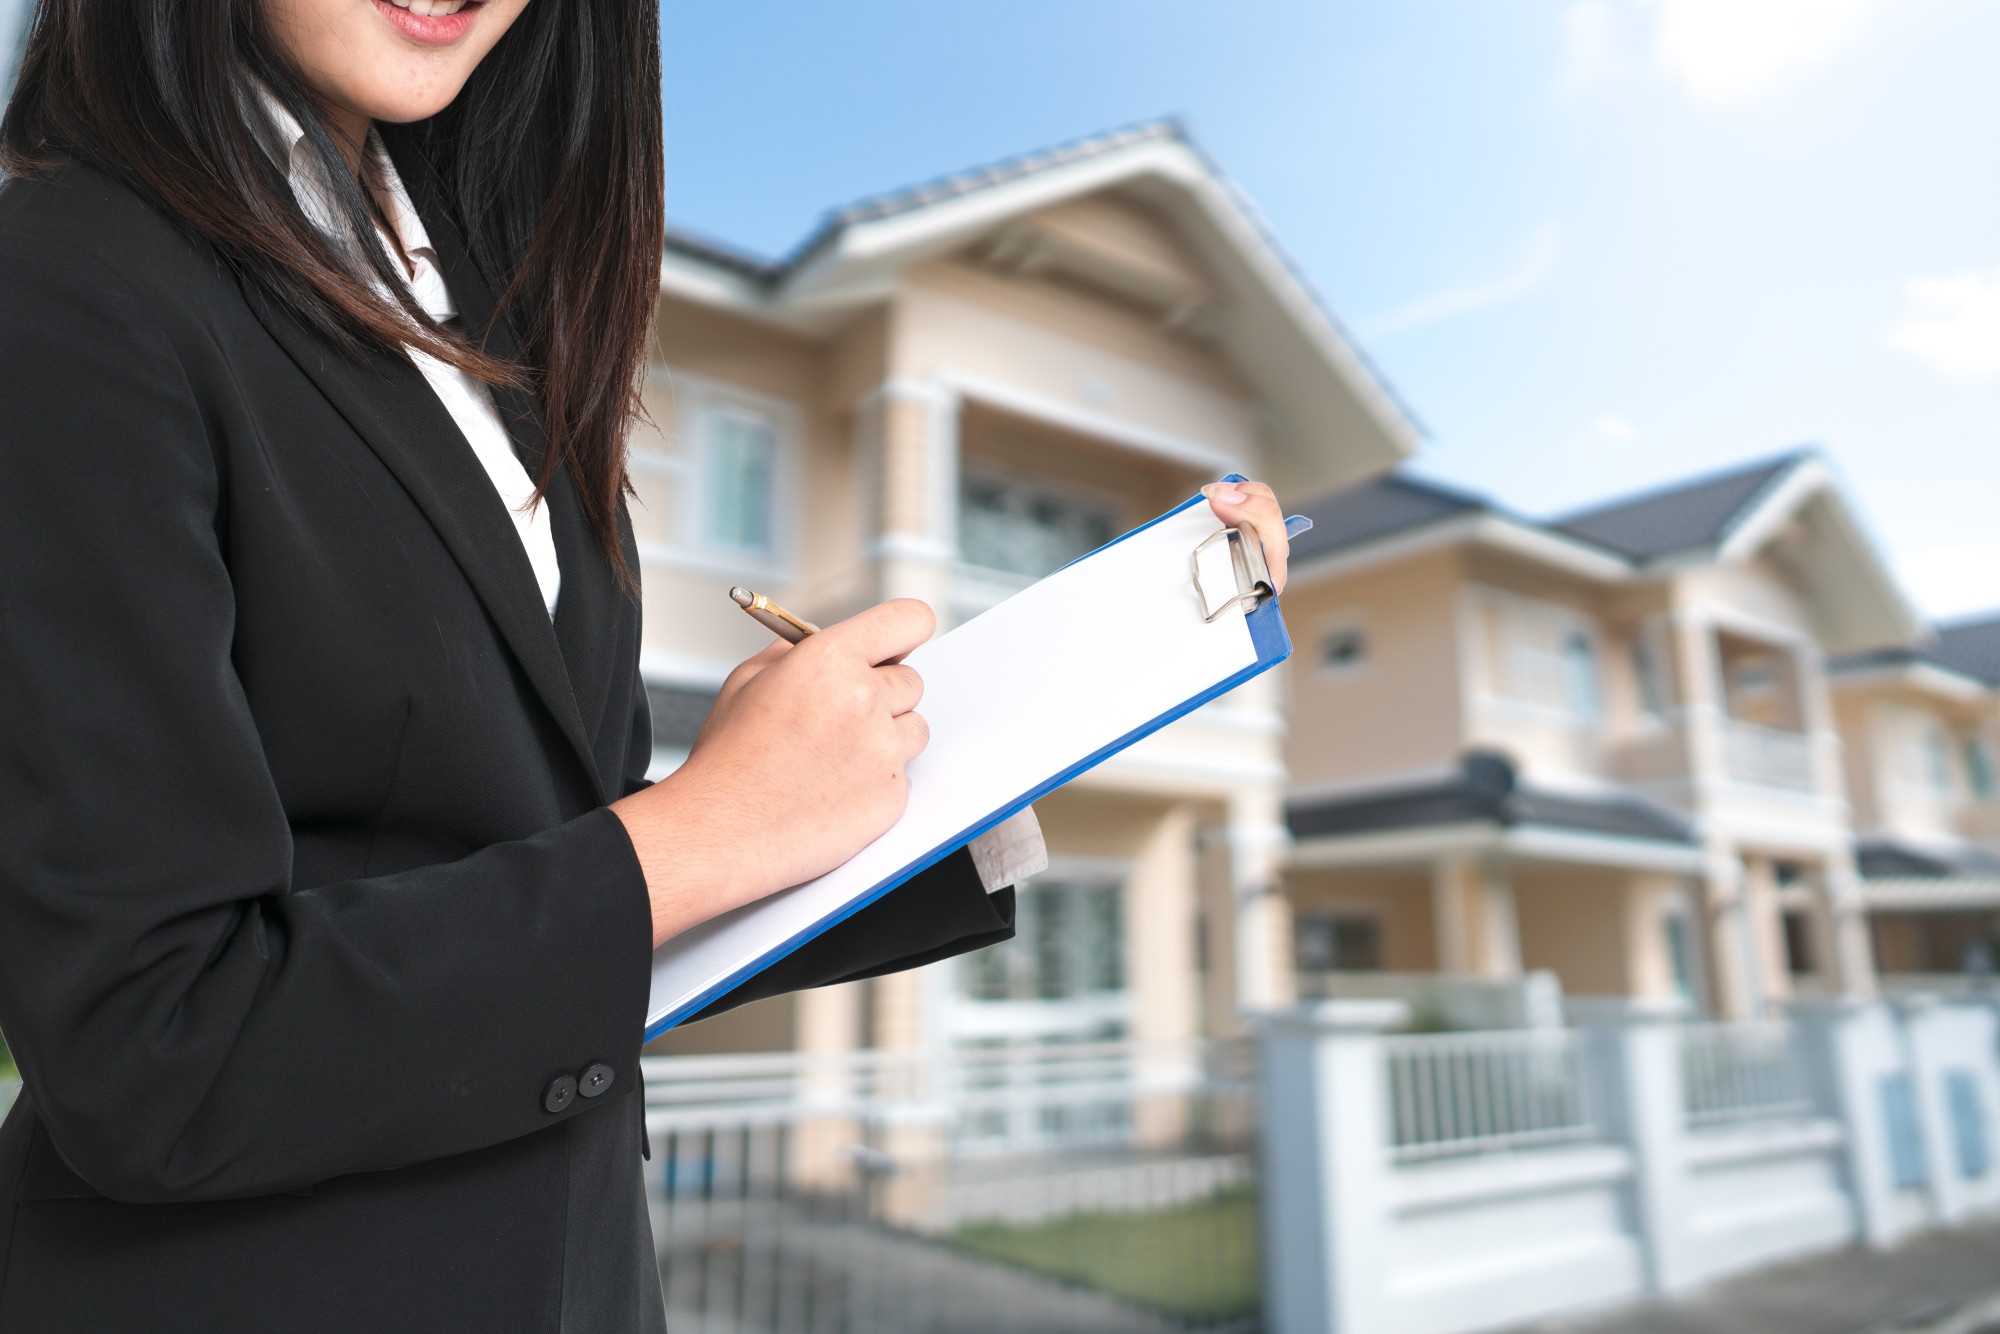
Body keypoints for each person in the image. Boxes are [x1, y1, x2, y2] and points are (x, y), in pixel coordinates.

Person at [0, 0, 1296, 1329]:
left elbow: (579, 905)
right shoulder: (68, 273)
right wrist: (710, 822)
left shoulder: (493, 323)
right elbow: (152, 1038)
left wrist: (1030, 712)